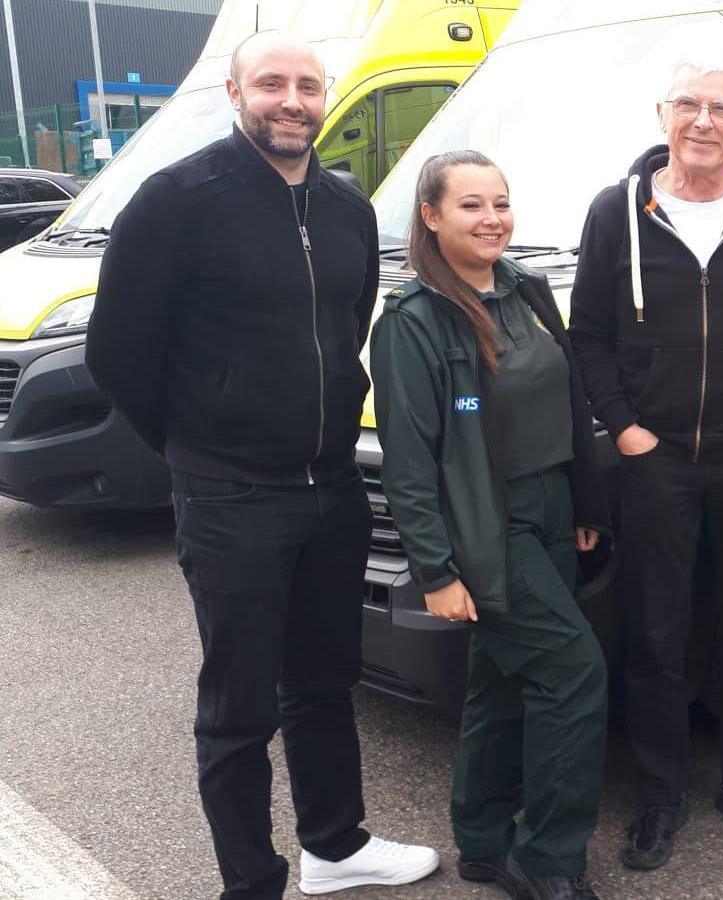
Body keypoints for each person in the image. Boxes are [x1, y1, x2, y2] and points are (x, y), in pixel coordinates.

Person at [84, 31, 439, 900]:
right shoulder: (177, 199)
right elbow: (118, 349)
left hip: (329, 488)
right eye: (271, 83)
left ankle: (335, 846)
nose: (292, 100)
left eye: (308, 86)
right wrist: (196, 441)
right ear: (236, 93)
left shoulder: (348, 207)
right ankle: (251, 884)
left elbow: (347, 324)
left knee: (324, 681)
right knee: (238, 710)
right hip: (230, 492)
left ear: (326, 99)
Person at [567, 52, 723, 871]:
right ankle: (659, 795)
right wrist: (627, 430)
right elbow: (589, 339)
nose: (704, 122)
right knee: (657, 631)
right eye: (689, 105)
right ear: (663, 115)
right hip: (658, 460)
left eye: (721, 108)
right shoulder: (617, 212)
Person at [370, 151, 609, 900]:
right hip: (487, 526)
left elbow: (566, 404)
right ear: (432, 216)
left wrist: (584, 505)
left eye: (500, 203)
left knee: (502, 681)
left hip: (552, 511)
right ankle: (547, 859)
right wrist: (437, 572)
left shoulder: (525, 289)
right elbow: (411, 465)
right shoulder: (412, 322)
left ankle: (480, 840)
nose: (492, 219)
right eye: (470, 205)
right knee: (574, 675)